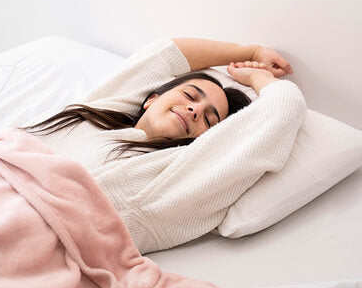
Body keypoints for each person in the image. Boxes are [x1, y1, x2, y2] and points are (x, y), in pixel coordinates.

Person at [20, 37, 306, 254]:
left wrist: (259, 78)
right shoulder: (98, 114)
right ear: (151, 99)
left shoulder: (173, 175)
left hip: (29, 233)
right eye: (190, 96)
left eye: (209, 118)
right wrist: (251, 52)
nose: (194, 110)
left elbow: (283, 109)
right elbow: (167, 52)